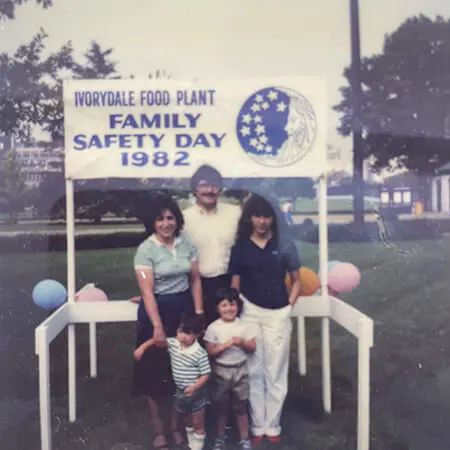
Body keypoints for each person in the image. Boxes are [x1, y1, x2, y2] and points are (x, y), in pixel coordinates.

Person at [228, 194, 302, 445]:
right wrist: (241, 309)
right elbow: (235, 286)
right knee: (254, 369)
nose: (262, 221)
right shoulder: (239, 248)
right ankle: (257, 425)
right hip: (250, 311)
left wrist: (287, 307)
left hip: (278, 313)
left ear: (274, 218)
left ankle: (273, 425)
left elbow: (297, 281)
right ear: (249, 217)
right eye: (257, 215)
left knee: (276, 369)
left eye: (267, 215)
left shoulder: (285, 245)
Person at [132, 194, 204, 450]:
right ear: (153, 223)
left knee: (181, 371)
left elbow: (195, 279)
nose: (166, 223)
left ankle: (175, 426)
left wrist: (197, 313)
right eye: (160, 219)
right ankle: (159, 430)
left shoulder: (187, 244)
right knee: (155, 372)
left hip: (183, 311)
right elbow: (147, 291)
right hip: (157, 312)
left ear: (177, 220)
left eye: (170, 217)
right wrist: (158, 327)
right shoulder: (145, 250)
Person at [134, 315, 211, 450]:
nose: (182, 336)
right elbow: (156, 340)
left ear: (197, 335)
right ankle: (191, 442)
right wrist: (142, 348)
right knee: (187, 420)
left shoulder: (200, 353)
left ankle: (197, 446)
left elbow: (206, 374)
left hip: (196, 393)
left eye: (188, 333)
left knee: (197, 422)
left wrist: (194, 387)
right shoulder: (175, 344)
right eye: (180, 332)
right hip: (181, 392)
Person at [183, 164, 241, 326]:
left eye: (214, 185)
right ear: (195, 189)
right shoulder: (184, 219)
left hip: (229, 283)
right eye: (203, 185)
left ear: (221, 189)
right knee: (200, 336)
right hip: (197, 286)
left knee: (229, 337)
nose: (210, 190)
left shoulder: (235, 213)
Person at [204, 288, 256, 450]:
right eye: (224, 305)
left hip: (240, 370)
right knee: (221, 407)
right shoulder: (214, 328)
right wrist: (225, 345)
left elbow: (252, 347)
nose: (228, 309)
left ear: (238, 306)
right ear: (217, 308)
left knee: (241, 406)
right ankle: (220, 438)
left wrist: (242, 342)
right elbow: (211, 351)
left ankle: (244, 438)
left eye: (232, 304)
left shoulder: (244, 326)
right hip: (221, 371)